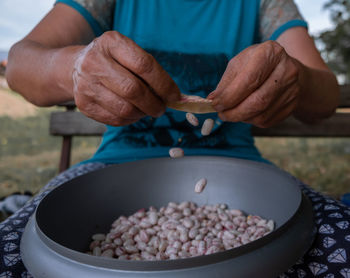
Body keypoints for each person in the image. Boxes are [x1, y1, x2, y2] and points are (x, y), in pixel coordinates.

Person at [2, 0, 349, 277]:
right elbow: (19, 64)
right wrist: (74, 66)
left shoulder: (265, 3)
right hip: (110, 172)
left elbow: (326, 96)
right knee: (14, 249)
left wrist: (297, 80)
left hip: (243, 180)